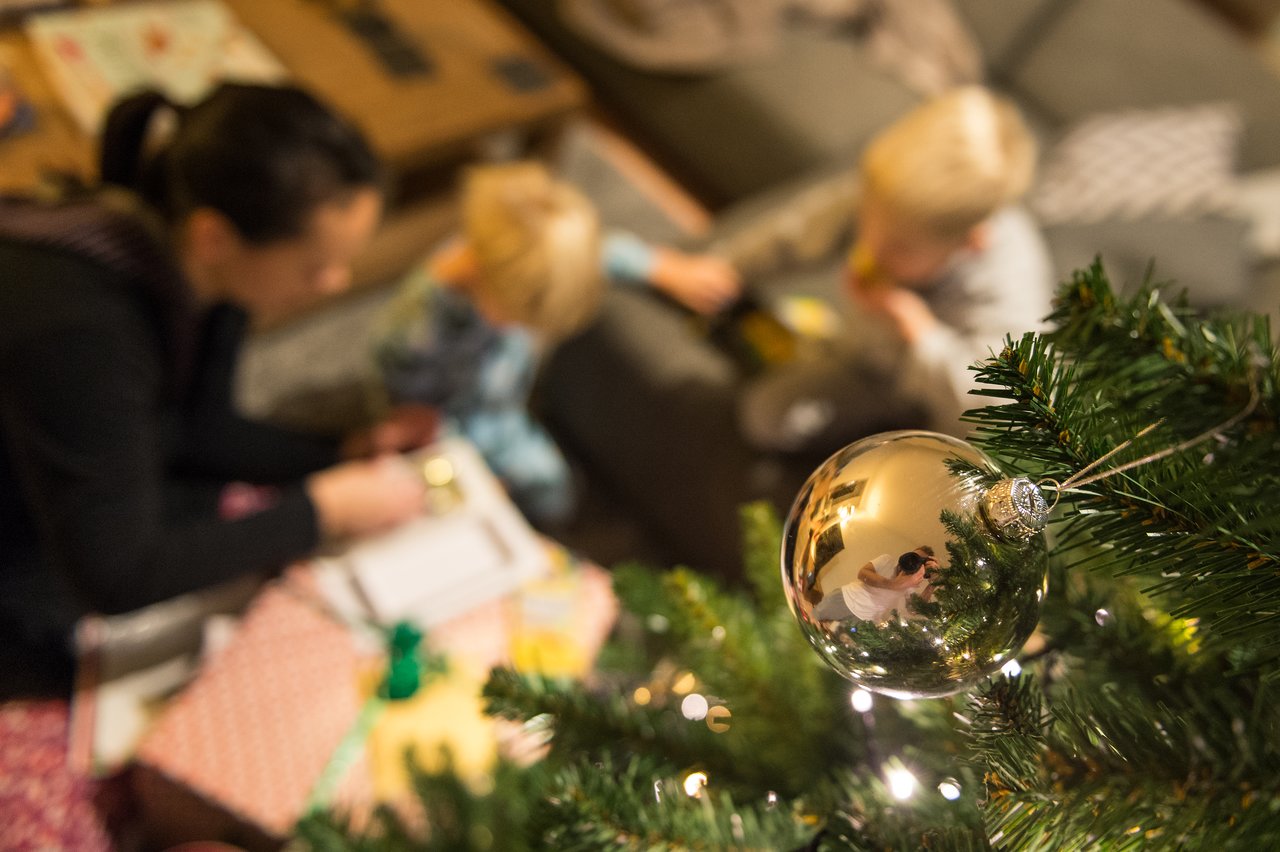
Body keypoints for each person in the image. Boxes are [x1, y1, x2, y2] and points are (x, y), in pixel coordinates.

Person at [0, 84, 437, 695]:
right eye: (316, 266)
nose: (336, 285)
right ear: (215, 237)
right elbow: (115, 578)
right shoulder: (83, 329)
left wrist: (342, 451)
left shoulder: (193, 266)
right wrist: (323, 511)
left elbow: (197, 429)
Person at [371, 160, 740, 526]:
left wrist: (661, 267)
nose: (528, 329)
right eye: (522, 317)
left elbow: (599, 252)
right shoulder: (416, 331)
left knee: (555, 492)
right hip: (461, 423)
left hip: (504, 410)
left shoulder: (532, 255)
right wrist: (465, 465)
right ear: (488, 279)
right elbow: (413, 414)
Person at [738, 86, 1053, 453]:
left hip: (950, 411)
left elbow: (994, 407)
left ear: (971, 242)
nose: (870, 246)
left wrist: (916, 332)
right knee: (766, 415)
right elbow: (798, 232)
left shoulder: (1007, 278)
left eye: (899, 248)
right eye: (867, 220)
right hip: (869, 364)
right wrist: (724, 267)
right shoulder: (892, 195)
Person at [812, 546, 938, 623]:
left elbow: (914, 610)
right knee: (812, 620)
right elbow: (862, 573)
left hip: (866, 620)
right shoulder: (887, 560)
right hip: (845, 598)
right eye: (913, 557)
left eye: (919, 563)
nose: (913, 562)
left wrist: (933, 583)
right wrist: (894, 584)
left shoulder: (911, 585)